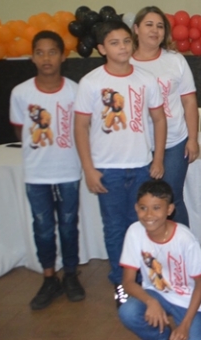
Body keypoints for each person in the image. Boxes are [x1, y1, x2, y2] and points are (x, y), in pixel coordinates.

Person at [74, 21, 167, 306]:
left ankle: (148, 279)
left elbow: (159, 118)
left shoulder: (145, 79)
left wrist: (158, 158)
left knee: (145, 225)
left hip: (141, 165)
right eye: (114, 43)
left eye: (126, 41)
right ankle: (122, 282)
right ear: (102, 48)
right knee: (115, 228)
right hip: (108, 170)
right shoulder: (91, 82)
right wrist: (89, 169)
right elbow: (80, 126)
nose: (123, 47)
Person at [9, 31, 85, 310]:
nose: (46, 58)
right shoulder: (21, 93)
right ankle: (49, 277)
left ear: (64, 56)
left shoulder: (75, 91)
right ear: (32, 57)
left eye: (52, 51)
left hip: (68, 170)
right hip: (36, 173)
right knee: (42, 228)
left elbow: (83, 129)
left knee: (68, 226)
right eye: (39, 52)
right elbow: (20, 129)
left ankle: (71, 275)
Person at [131, 6, 199, 227]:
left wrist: (192, 139)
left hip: (174, 143)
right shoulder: (126, 63)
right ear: (136, 29)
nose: (155, 30)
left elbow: (189, 101)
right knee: (142, 202)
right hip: (138, 145)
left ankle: (182, 252)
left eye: (160, 26)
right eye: (148, 25)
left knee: (171, 198)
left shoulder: (175, 60)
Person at [118, 180, 201, 340]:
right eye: (143, 208)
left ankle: (185, 324)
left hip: (188, 300)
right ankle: (161, 336)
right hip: (156, 293)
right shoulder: (134, 232)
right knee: (128, 311)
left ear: (169, 210)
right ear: (136, 208)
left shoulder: (185, 238)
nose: (149, 215)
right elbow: (128, 282)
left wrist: (185, 326)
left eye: (156, 208)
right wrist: (150, 302)